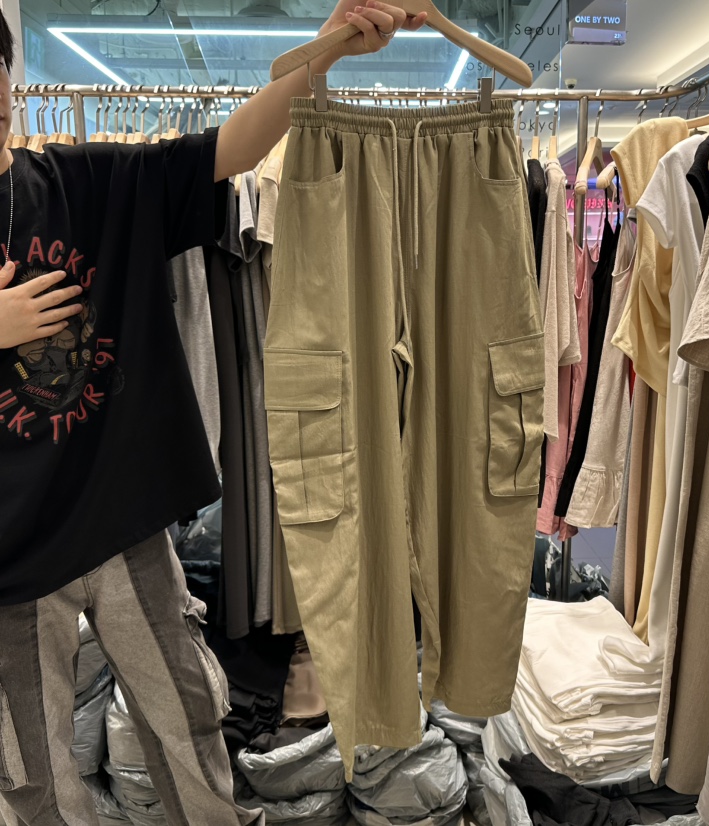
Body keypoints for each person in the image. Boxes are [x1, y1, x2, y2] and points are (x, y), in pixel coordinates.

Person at [0, 2, 426, 824]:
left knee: (189, 726)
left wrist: (322, 55)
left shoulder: (84, 183)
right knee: (35, 779)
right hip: (12, 559)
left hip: (119, 523)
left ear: (11, 84)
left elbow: (227, 151)